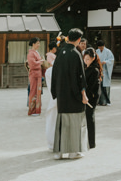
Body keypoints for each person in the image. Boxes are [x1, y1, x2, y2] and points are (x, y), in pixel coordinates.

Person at [50, 28, 89, 160]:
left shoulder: (61, 53)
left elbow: (54, 73)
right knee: (74, 122)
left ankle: (59, 152)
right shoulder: (76, 54)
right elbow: (80, 77)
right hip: (73, 94)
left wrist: (55, 92)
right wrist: (83, 93)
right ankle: (74, 151)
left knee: (62, 122)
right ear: (78, 40)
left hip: (62, 94)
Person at [83, 48, 101, 149]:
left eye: (88, 59)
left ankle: (92, 142)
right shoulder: (86, 68)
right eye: (85, 59)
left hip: (91, 97)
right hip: (87, 95)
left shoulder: (94, 70)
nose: (86, 61)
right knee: (88, 118)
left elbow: (92, 86)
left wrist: (86, 96)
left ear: (93, 58)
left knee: (90, 118)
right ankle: (89, 141)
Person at [27, 38, 43, 116]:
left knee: (38, 92)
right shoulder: (31, 53)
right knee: (33, 91)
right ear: (33, 44)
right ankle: (32, 110)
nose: (38, 45)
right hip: (34, 74)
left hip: (38, 74)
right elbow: (32, 64)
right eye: (37, 43)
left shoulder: (36, 52)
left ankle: (37, 110)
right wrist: (41, 62)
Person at [96, 40, 115, 106]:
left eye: (101, 47)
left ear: (104, 46)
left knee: (105, 86)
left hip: (105, 70)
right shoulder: (96, 51)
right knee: (99, 86)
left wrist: (105, 62)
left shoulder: (108, 51)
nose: (100, 48)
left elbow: (111, 60)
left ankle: (106, 101)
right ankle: (100, 101)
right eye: (99, 47)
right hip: (99, 70)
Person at [44, 62, 57, 151]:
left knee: (51, 122)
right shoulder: (52, 71)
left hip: (53, 99)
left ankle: (51, 143)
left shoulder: (48, 71)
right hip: (58, 99)